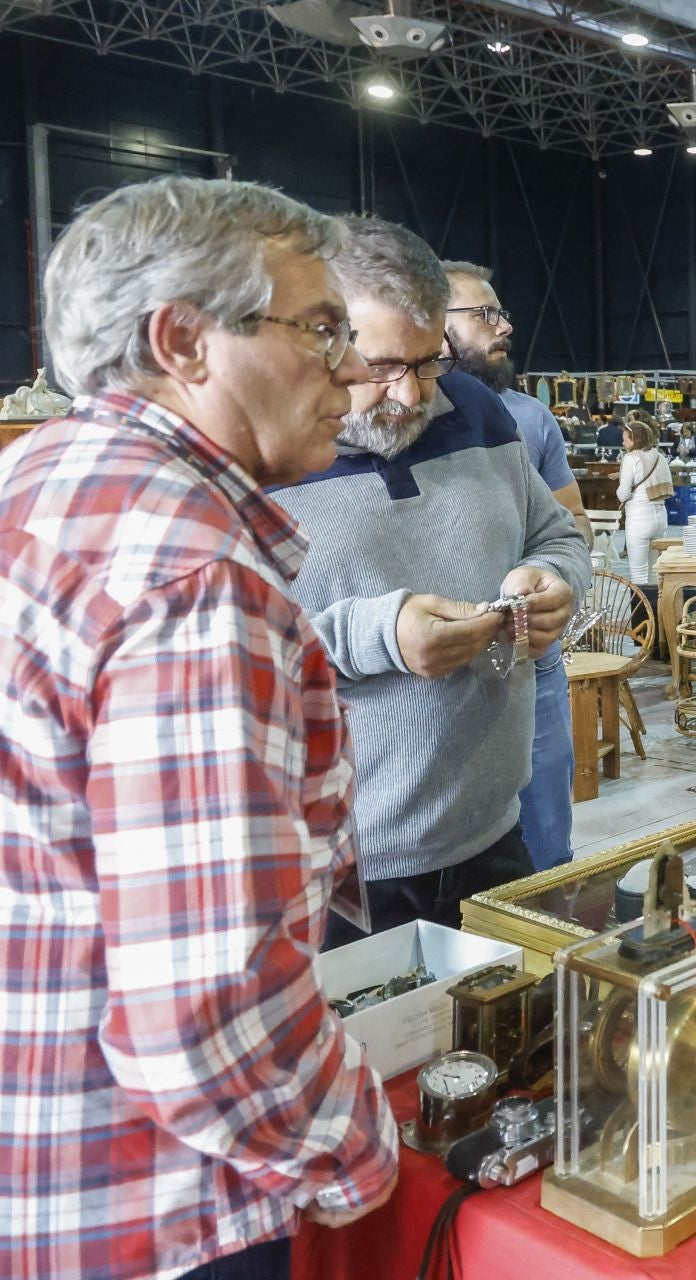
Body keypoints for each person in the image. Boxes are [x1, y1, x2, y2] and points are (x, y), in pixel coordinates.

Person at [0, 176, 398, 1280]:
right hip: (159, 1208)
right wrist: (364, 1155)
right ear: (181, 340)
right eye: (321, 328)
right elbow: (209, 1017)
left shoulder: (36, 477)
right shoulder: (192, 577)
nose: (356, 370)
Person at [271, 217, 590, 943]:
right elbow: (231, 667)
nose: (412, 397)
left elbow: (556, 532)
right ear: (324, 334)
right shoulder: (270, 452)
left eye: (428, 362)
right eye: (382, 366)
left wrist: (553, 578)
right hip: (345, 870)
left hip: (492, 840)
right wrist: (381, 636)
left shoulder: (477, 411)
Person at [441, 260, 590, 873]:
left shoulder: (527, 418)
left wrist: (552, 576)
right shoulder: (363, 419)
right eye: (484, 314)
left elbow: (571, 528)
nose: (504, 326)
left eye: (500, 312)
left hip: (533, 668)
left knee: (547, 850)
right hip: (434, 680)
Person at [617, 417, 670, 586]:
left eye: (625, 438)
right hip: (660, 516)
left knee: (638, 572)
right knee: (655, 571)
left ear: (634, 439)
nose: (623, 442)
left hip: (639, 518)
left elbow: (623, 494)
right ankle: (657, 610)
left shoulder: (631, 458)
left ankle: (643, 612)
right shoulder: (659, 456)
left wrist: (619, 486)